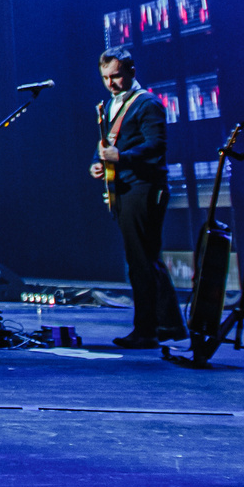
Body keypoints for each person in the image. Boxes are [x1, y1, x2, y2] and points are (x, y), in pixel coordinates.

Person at [89, 48, 173, 348]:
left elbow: (156, 146)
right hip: (124, 187)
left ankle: (146, 330)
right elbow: (108, 145)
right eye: (105, 78)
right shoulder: (112, 105)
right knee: (147, 259)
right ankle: (171, 325)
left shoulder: (147, 103)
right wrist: (100, 163)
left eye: (116, 76)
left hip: (143, 188)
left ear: (131, 71)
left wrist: (121, 157)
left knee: (140, 262)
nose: (110, 83)